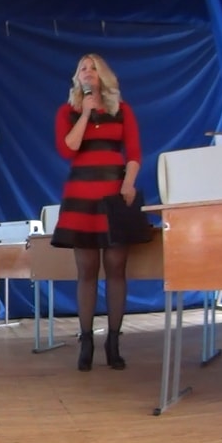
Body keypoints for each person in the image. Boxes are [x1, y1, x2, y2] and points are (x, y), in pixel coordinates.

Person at [50, 53, 141, 372]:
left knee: (116, 267)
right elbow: (67, 149)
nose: (87, 72)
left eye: (92, 68)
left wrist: (128, 183)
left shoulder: (122, 110)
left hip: (114, 194)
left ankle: (113, 342)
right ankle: (86, 341)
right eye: (82, 69)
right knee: (86, 270)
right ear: (77, 77)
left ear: (103, 75)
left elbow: (134, 152)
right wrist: (86, 113)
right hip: (81, 198)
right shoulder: (67, 111)